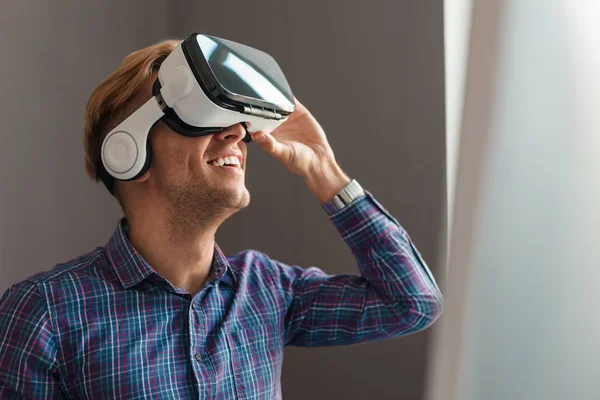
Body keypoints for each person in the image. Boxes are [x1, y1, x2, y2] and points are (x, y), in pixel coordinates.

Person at [0, 39, 443, 399]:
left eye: (236, 118)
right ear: (127, 152)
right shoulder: (44, 314)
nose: (237, 133)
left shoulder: (267, 290)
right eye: (201, 114)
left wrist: (322, 168)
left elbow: (412, 303)